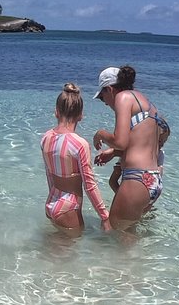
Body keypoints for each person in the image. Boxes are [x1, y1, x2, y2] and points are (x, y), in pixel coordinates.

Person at [90, 65, 171, 225]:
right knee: (127, 236)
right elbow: (162, 135)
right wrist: (114, 153)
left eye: (101, 97)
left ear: (109, 89)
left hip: (137, 178)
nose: (104, 103)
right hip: (153, 179)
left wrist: (100, 134)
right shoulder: (148, 104)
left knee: (111, 229)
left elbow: (120, 141)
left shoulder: (123, 98)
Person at [40, 82, 110, 231]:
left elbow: (49, 175)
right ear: (80, 116)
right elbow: (89, 185)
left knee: (51, 251)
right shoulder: (79, 144)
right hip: (68, 207)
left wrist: (53, 204)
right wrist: (104, 216)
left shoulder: (45, 137)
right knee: (71, 253)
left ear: (56, 112)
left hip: (51, 201)